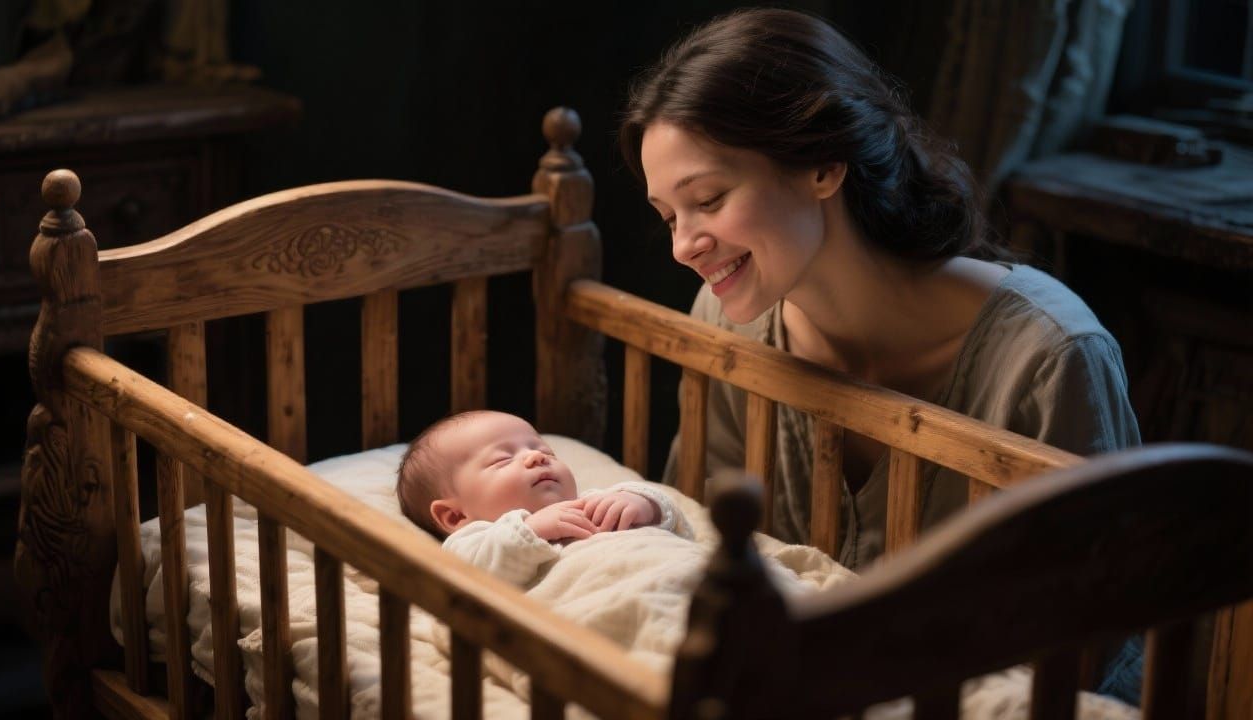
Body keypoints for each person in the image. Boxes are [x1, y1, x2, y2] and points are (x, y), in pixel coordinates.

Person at [619, 7, 1142, 701]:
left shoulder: (1049, 357)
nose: (685, 245)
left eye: (708, 199)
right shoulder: (726, 322)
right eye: (668, 216)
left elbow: (1083, 643)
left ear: (823, 166)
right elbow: (697, 544)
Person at [396, 410, 693, 586]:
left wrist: (643, 504)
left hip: (682, 574)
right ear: (456, 516)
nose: (537, 456)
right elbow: (470, 580)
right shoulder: (473, 542)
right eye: (502, 460)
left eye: (545, 451)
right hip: (609, 598)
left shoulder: (592, 502)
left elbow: (679, 524)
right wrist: (531, 530)